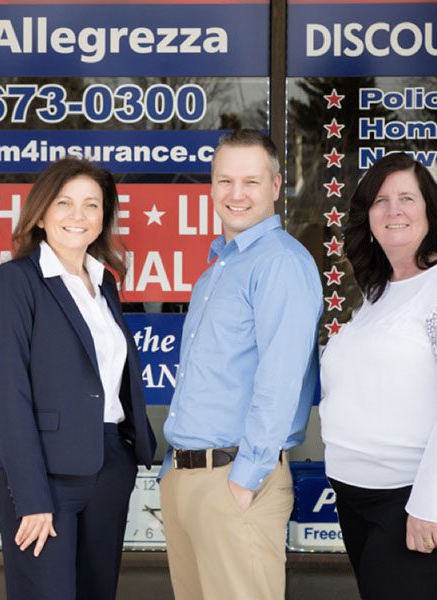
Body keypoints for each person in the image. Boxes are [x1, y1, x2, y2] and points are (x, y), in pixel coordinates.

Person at [319, 152, 437, 600]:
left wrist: (431, 505)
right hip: (359, 492)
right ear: (368, 218)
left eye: (406, 198)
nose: (393, 210)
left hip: (416, 492)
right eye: (380, 200)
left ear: (430, 211)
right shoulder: (379, 292)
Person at [0, 157, 156, 600]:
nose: (78, 216)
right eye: (64, 203)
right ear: (40, 214)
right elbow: (9, 393)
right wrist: (33, 497)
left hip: (109, 464)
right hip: (44, 475)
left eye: (91, 205)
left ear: (104, 217)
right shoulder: (16, 280)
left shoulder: (105, 285)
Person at [159, 129, 322, 600]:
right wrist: (174, 473)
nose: (236, 194)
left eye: (251, 181)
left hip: (235, 481)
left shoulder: (280, 263)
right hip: (187, 481)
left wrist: (244, 481)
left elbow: (281, 379)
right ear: (210, 185)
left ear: (275, 186)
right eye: (225, 180)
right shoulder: (218, 268)